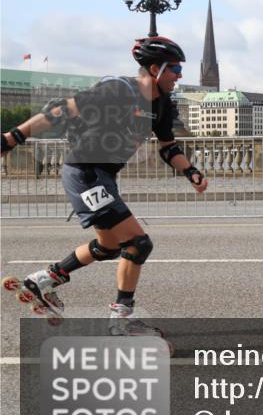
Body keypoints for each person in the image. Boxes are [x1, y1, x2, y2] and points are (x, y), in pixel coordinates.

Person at [1, 37, 208, 335]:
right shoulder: (118, 90)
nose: (179, 75)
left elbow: (168, 147)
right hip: (85, 171)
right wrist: (13, 137)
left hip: (103, 176)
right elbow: (61, 110)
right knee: (138, 243)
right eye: (175, 68)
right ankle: (122, 322)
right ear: (154, 68)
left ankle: (43, 280)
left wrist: (191, 172)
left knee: (110, 246)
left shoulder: (161, 103)